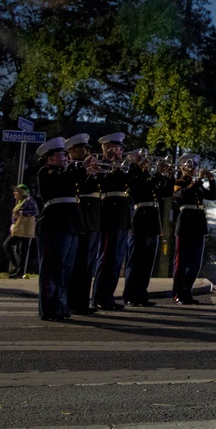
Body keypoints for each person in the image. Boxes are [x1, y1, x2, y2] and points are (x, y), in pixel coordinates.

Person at [35, 136, 81, 321]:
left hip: (70, 223)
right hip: (53, 224)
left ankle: (61, 306)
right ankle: (48, 309)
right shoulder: (46, 172)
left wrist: (88, 171)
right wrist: (81, 168)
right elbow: (64, 182)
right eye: (61, 154)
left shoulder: (67, 173)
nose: (65, 157)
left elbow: (78, 183)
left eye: (65, 154)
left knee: (65, 269)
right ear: (50, 158)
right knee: (51, 270)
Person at [124, 149, 173, 307]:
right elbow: (142, 188)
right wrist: (158, 174)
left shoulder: (147, 176)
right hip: (140, 220)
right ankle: (130, 295)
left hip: (152, 220)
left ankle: (141, 294)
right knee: (136, 261)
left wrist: (168, 177)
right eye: (141, 157)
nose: (145, 160)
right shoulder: (133, 174)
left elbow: (165, 192)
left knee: (147, 262)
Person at [93, 132, 131, 311]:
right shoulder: (101, 166)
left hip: (122, 216)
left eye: (121, 149)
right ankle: (100, 296)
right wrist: (108, 163)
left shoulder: (123, 168)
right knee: (107, 258)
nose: (119, 152)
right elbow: (101, 184)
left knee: (116, 260)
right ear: (107, 149)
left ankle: (108, 295)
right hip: (110, 215)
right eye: (116, 148)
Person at [63, 134, 101, 315]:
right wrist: (87, 172)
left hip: (92, 218)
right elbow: (77, 187)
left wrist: (94, 173)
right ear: (72, 151)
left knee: (88, 265)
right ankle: (74, 302)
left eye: (87, 148)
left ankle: (82, 301)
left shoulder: (85, 169)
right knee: (78, 264)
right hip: (80, 217)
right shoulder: (70, 168)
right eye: (82, 149)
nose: (87, 152)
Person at [172, 155, 216, 305]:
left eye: (195, 165)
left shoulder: (195, 184)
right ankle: (178, 293)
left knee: (195, 262)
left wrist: (211, 180)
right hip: (185, 223)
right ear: (182, 167)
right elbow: (183, 195)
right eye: (190, 165)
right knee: (182, 262)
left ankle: (187, 292)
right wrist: (199, 180)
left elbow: (211, 195)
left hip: (198, 224)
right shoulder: (179, 183)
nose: (194, 168)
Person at [3, 184, 38, 279]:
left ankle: (19, 269)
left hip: (25, 229)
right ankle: (19, 269)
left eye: (17, 191)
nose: (15, 193)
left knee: (14, 247)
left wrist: (22, 213)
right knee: (17, 248)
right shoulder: (20, 201)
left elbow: (35, 212)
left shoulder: (29, 200)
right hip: (19, 228)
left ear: (22, 193)